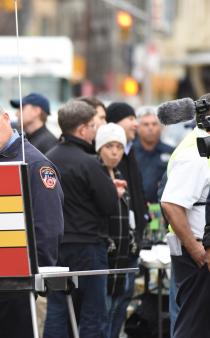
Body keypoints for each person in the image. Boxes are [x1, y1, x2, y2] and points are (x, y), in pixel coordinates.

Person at [0, 96, 64, 338]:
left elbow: (48, 226)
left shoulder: (34, 163)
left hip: (16, 283)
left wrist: (33, 277)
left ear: (6, 119)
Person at [43, 101, 118, 338]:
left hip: (55, 247)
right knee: (93, 313)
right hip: (88, 247)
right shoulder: (89, 163)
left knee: (57, 310)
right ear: (83, 129)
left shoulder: (47, 160)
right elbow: (109, 205)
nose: (95, 131)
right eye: (94, 126)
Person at [161, 93, 210, 338]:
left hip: (198, 251)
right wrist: (197, 250)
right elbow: (171, 204)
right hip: (198, 256)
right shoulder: (197, 155)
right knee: (194, 328)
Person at [105, 102, 149, 336]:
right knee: (111, 304)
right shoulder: (111, 158)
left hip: (132, 242)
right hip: (118, 246)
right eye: (129, 118)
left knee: (123, 301)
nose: (136, 123)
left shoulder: (130, 153)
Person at [95, 123, 137, 338]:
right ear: (99, 148)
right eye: (109, 146)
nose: (114, 152)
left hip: (123, 259)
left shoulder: (120, 174)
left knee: (115, 314)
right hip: (104, 258)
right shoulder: (96, 174)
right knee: (102, 315)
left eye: (119, 147)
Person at [133, 106, 174, 204]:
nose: (150, 128)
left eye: (154, 124)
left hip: (164, 207)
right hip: (137, 207)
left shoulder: (171, 152)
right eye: (146, 124)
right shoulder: (130, 152)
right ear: (138, 128)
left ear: (161, 127)